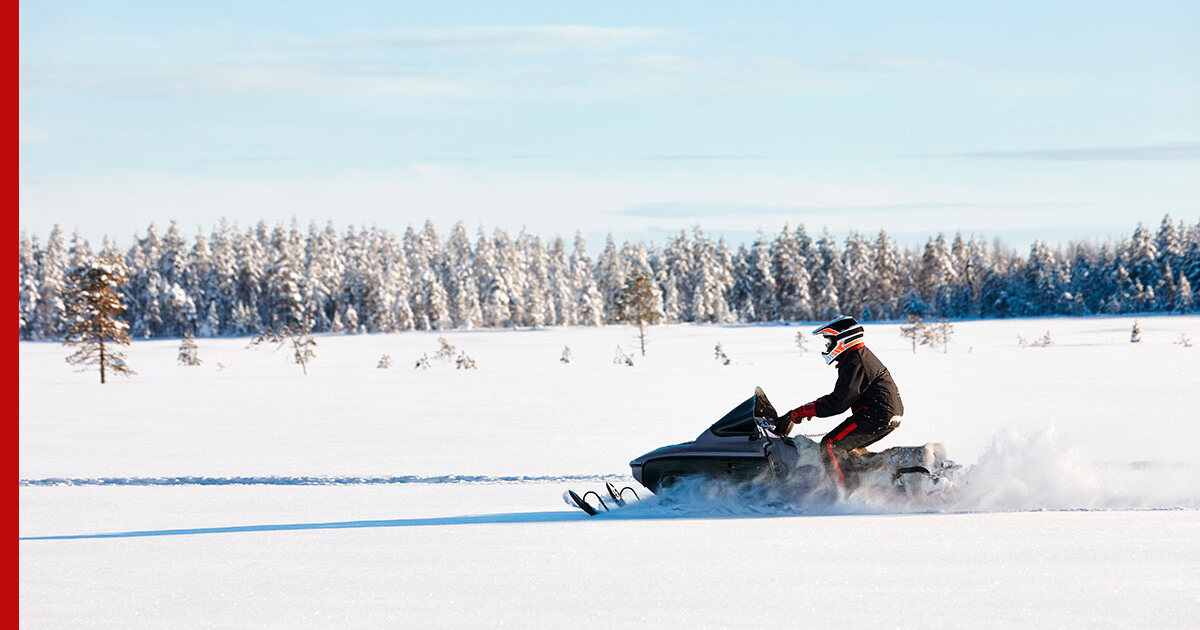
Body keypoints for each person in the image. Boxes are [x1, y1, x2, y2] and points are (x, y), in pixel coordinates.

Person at [774, 315, 905, 491]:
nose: (827, 346)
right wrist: (805, 410)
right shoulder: (857, 357)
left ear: (843, 339)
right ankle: (872, 484)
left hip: (877, 414)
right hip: (883, 413)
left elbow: (838, 403)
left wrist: (800, 412)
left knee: (831, 445)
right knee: (849, 450)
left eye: (829, 342)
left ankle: (846, 493)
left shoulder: (855, 360)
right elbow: (842, 396)